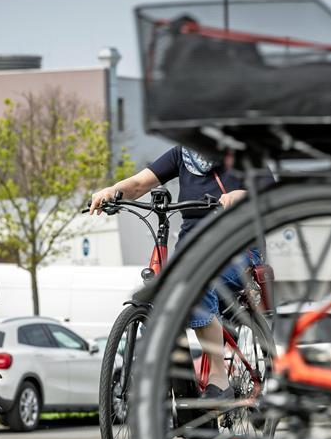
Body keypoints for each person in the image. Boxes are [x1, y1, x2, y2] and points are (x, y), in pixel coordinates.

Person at [89, 147, 251, 403]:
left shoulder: (241, 147)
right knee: (160, 294)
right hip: (192, 249)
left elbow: (265, 189)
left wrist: (238, 195)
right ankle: (174, 385)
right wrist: (112, 191)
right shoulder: (183, 155)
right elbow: (139, 183)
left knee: (197, 284)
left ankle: (219, 379)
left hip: (237, 248)